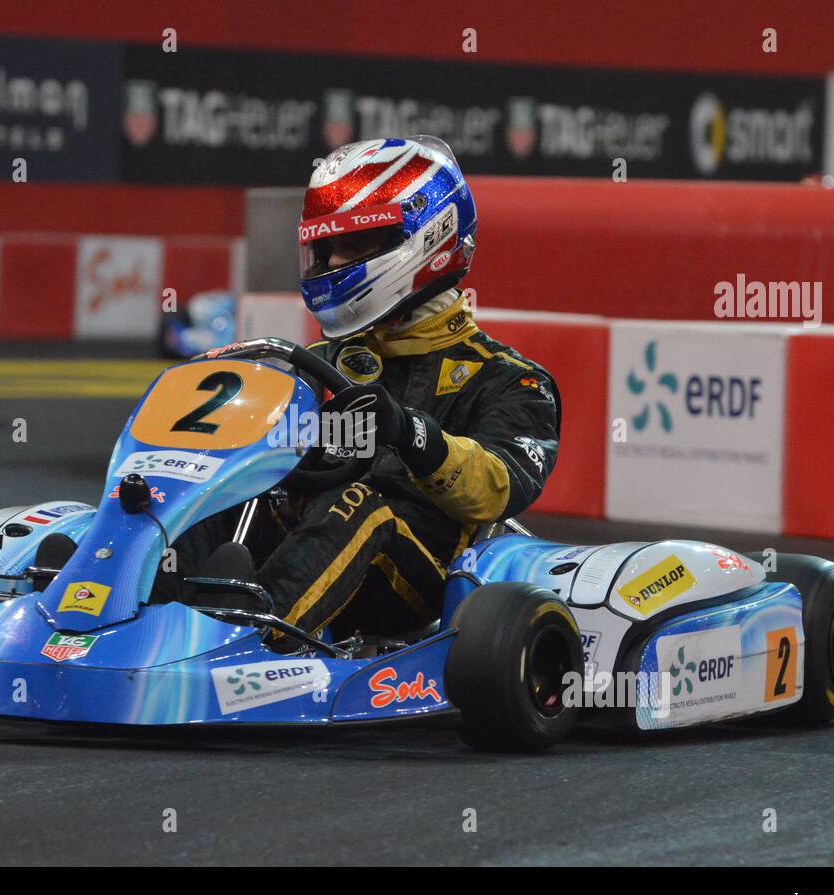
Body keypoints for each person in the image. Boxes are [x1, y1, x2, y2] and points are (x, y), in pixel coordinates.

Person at [159, 136, 561, 642]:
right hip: (307, 552)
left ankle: (243, 644)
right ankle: (124, 623)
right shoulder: (320, 366)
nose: (332, 263)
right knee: (209, 492)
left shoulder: (511, 379)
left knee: (357, 503)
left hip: (421, 584)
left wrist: (412, 433)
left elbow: (499, 487)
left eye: (356, 245)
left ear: (429, 236)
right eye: (327, 247)